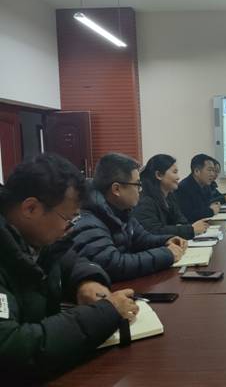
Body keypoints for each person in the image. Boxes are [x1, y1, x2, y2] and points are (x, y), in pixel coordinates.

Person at [0, 154, 138, 381]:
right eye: (68, 218)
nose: (70, 228)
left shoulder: (35, 236)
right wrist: (105, 314)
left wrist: (86, 281)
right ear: (31, 208)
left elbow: (66, 259)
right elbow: (11, 349)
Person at [70, 153, 186, 282]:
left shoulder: (121, 210)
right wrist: (167, 255)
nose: (140, 190)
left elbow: (143, 239)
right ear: (116, 189)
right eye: (137, 184)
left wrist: (167, 240)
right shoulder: (88, 221)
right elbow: (115, 265)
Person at [133, 154, 209, 239]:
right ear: (159, 175)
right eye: (174, 172)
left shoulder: (169, 196)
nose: (178, 177)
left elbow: (182, 221)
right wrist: (190, 229)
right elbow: (153, 231)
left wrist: (183, 228)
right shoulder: (145, 201)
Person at [175, 154, 221, 222]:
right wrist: (211, 211)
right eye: (209, 170)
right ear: (197, 171)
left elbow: (207, 206)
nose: (213, 174)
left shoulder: (206, 186)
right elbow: (187, 216)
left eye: (213, 171)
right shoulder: (183, 188)